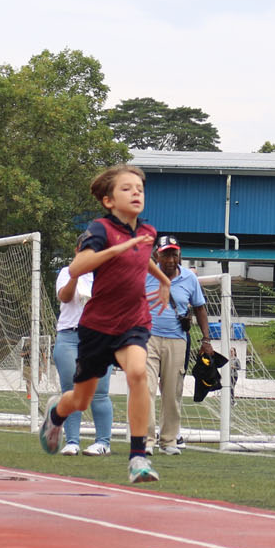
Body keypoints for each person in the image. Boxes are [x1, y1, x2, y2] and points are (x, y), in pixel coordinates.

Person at [41, 165, 170, 485]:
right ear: (108, 201)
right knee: (81, 400)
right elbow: (77, 267)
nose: (136, 192)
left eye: (139, 188)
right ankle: (57, 413)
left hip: (134, 321)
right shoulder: (99, 230)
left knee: (138, 374)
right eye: (126, 188)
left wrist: (164, 280)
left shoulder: (147, 231)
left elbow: (143, 255)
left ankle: (138, 458)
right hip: (98, 326)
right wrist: (116, 249)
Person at [145, 235, 211, 456]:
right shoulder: (146, 275)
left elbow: (200, 308)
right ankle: (145, 440)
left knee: (173, 392)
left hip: (177, 340)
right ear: (157, 255)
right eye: (166, 255)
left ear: (179, 255)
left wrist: (206, 339)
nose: (171, 259)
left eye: (174, 254)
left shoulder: (189, 279)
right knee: (145, 389)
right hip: (148, 338)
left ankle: (169, 440)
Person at [53, 247, 115, 457]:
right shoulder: (66, 272)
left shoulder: (107, 275)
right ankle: (72, 441)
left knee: (99, 391)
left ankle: (103, 442)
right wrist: (75, 274)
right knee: (71, 389)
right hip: (69, 336)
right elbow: (65, 297)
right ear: (77, 251)